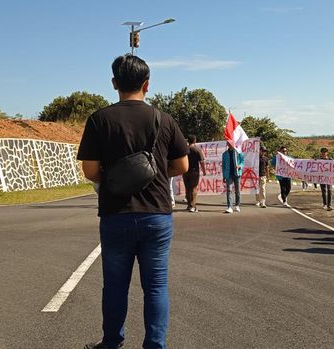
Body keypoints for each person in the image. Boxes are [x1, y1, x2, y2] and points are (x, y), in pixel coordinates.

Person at [78, 54, 189, 349]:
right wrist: (152, 174)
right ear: (147, 85)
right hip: (157, 215)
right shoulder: (163, 120)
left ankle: (112, 342)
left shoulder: (99, 119)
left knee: (115, 287)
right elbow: (183, 166)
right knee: (156, 287)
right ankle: (155, 345)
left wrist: (116, 177)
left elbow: (90, 170)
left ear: (114, 83)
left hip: (116, 214)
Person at [183, 134, 206, 213]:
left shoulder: (184, 149)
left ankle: (189, 205)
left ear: (188, 141)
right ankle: (193, 206)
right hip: (194, 171)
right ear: (195, 140)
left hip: (185, 171)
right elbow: (202, 162)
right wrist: (204, 171)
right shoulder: (197, 149)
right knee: (193, 188)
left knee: (187, 188)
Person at [222, 142, 245, 213]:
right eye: (228, 143)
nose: (229, 144)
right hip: (228, 174)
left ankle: (237, 205)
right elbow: (223, 166)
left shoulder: (238, 152)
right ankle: (229, 207)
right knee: (229, 190)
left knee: (237, 190)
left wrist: (240, 166)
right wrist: (224, 176)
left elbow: (242, 161)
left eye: (230, 142)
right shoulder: (225, 154)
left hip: (237, 174)